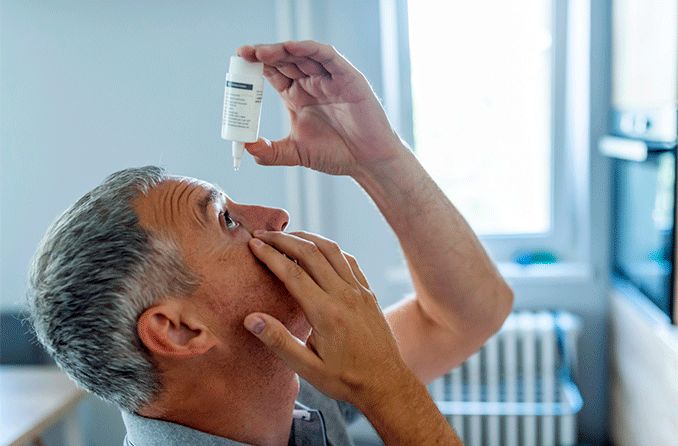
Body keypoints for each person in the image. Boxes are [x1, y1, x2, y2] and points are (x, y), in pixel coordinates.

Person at [27, 40, 513, 445]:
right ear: (178, 330)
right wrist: (384, 387)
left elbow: (467, 312)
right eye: (227, 221)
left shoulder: (290, 389)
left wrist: (377, 159)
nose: (277, 218)